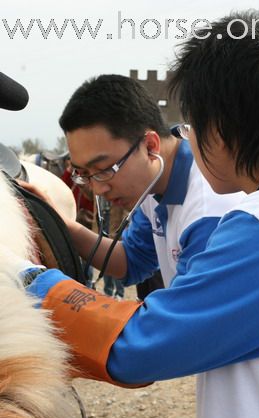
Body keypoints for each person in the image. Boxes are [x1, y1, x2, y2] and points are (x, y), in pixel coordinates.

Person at [21, 10, 259, 418]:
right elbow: (132, 262)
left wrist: (27, 280)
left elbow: (144, 345)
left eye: (193, 126)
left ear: (221, 127)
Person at [53, 73, 243, 289]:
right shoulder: (153, 184)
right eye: (84, 173)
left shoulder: (208, 212)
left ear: (150, 146)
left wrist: (56, 292)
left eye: (104, 169)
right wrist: (55, 222)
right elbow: (131, 260)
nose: (98, 189)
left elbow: (190, 316)